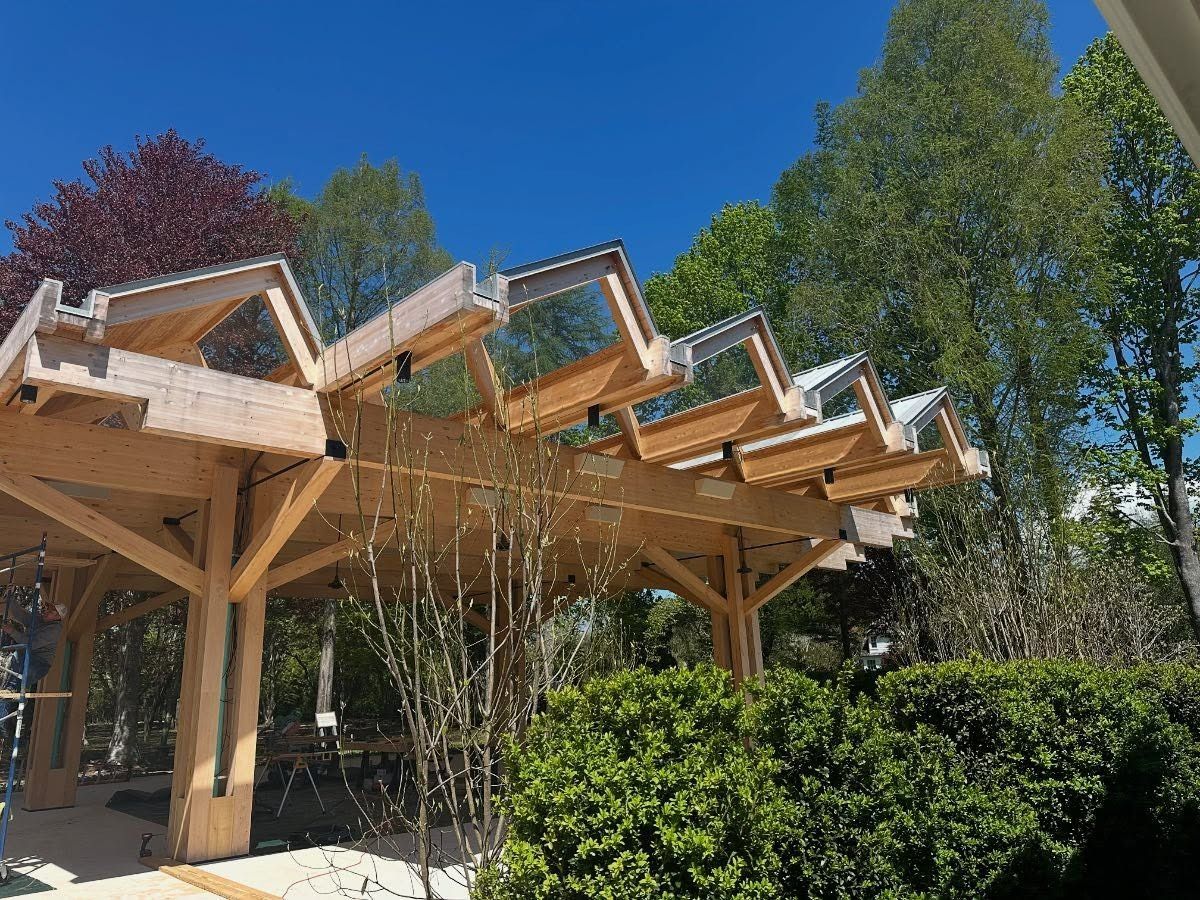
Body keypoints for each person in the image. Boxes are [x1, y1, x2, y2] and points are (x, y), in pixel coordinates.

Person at [0, 593, 66, 742]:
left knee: (14, 687)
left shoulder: (54, 629)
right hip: (24, 659)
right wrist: (10, 598)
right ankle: (4, 722)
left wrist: (12, 631)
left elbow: (31, 644)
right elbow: (21, 614)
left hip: (38, 663)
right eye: (46, 609)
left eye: (51, 611)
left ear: (58, 617)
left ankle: (6, 725)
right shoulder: (38, 619)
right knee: (9, 689)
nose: (46, 612)